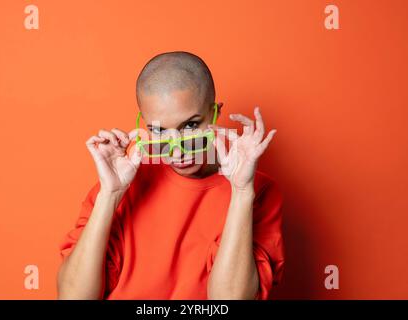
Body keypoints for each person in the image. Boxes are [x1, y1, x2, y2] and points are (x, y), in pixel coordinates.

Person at [57, 51, 284, 300]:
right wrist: (109, 195)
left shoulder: (257, 191)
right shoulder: (121, 184)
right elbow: (73, 297)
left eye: (190, 125)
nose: (177, 149)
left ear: (215, 113)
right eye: (158, 130)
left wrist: (241, 192)